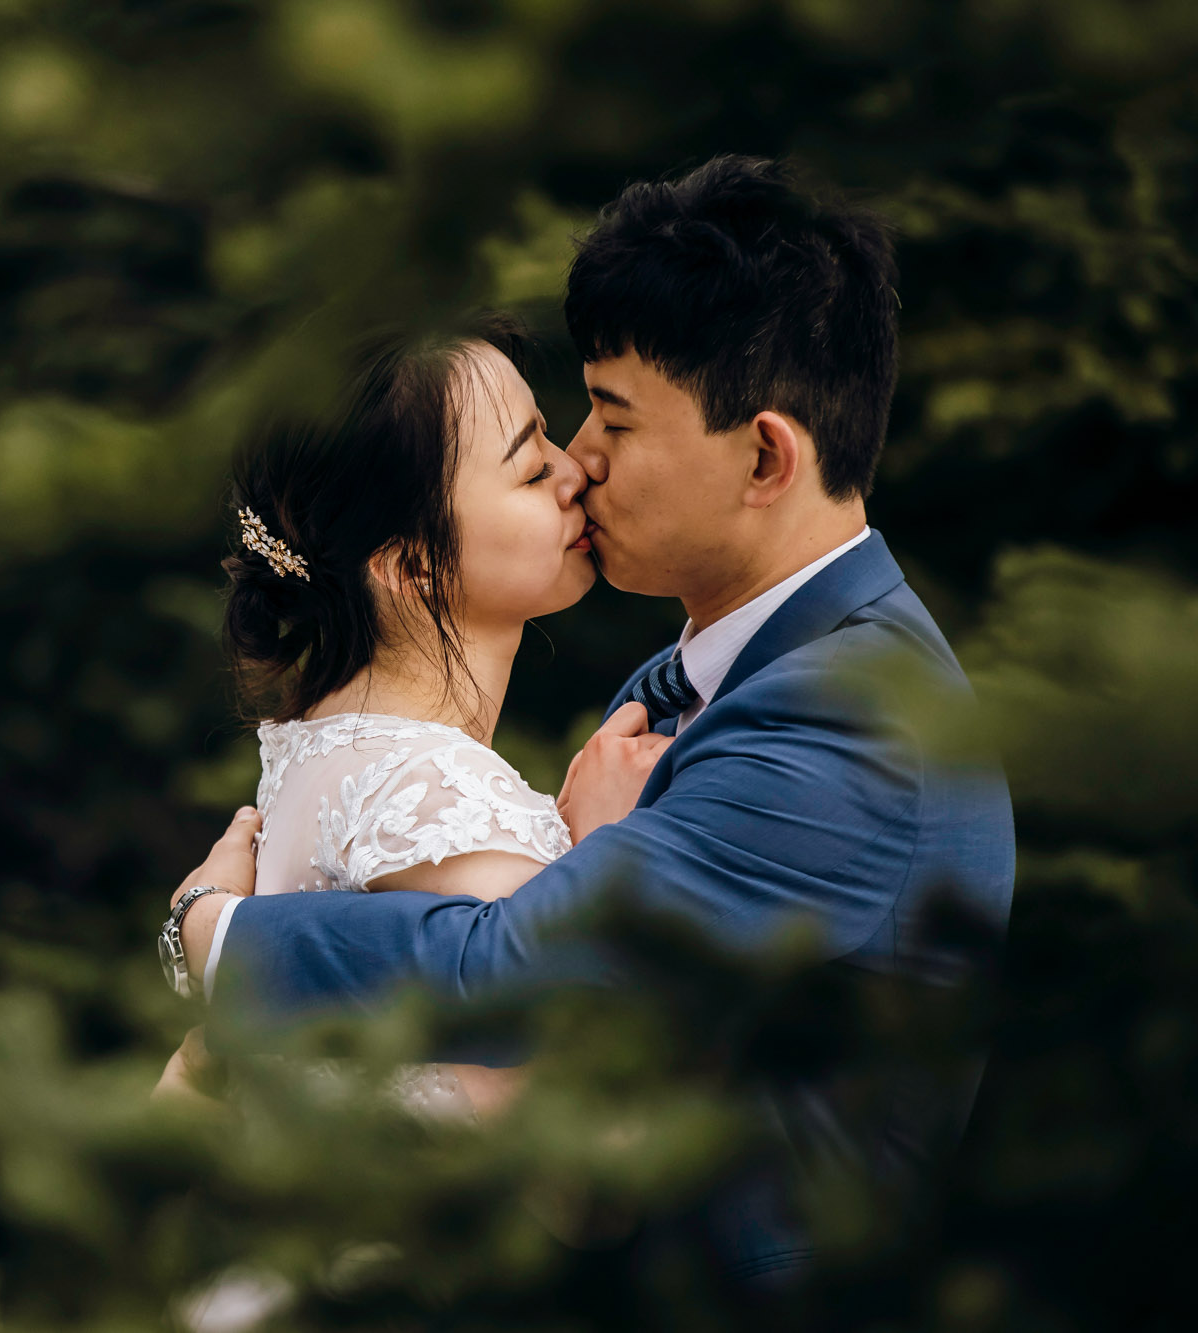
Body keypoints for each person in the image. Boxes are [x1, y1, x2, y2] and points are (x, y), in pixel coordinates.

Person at [155, 156, 1016, 1284]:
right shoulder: (700, 679)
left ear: (763, 454)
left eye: (610, 416)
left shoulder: (845, 722)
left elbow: (512, 982)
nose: (579, 459)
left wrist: (208, 933)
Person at [201, 315, 663, 1121]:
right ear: (413, 565)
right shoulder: (433, 792)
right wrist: (607, 853)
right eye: (528, 469)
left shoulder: (320, 754)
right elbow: (581, 1144)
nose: (574, 469)